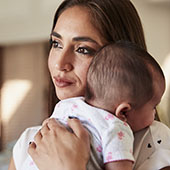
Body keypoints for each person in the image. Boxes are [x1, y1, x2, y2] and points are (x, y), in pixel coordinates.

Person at [8, 0, 170, 170]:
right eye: (56, 44)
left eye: (83, 49)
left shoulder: (157, 145)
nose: (60, 63)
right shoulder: (28, 143)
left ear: (123, 59)